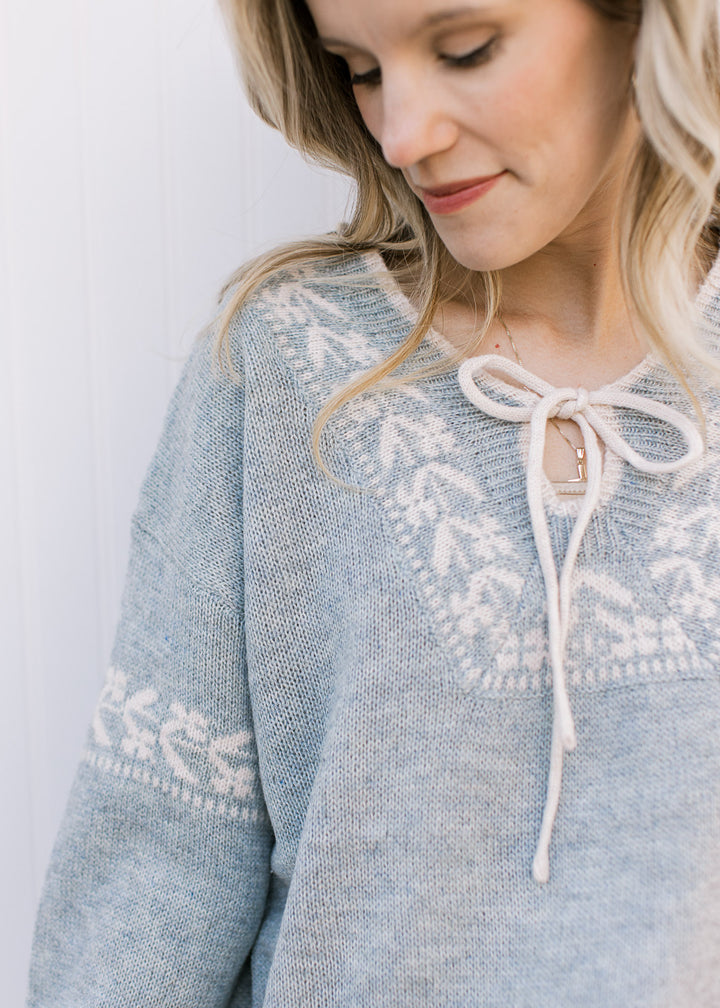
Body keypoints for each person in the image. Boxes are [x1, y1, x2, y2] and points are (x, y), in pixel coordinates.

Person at [26, 0, 720, 1004]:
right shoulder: (285, 368)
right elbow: (150, 884)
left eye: (465, 50)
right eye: (360, 69)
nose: (403, 135)